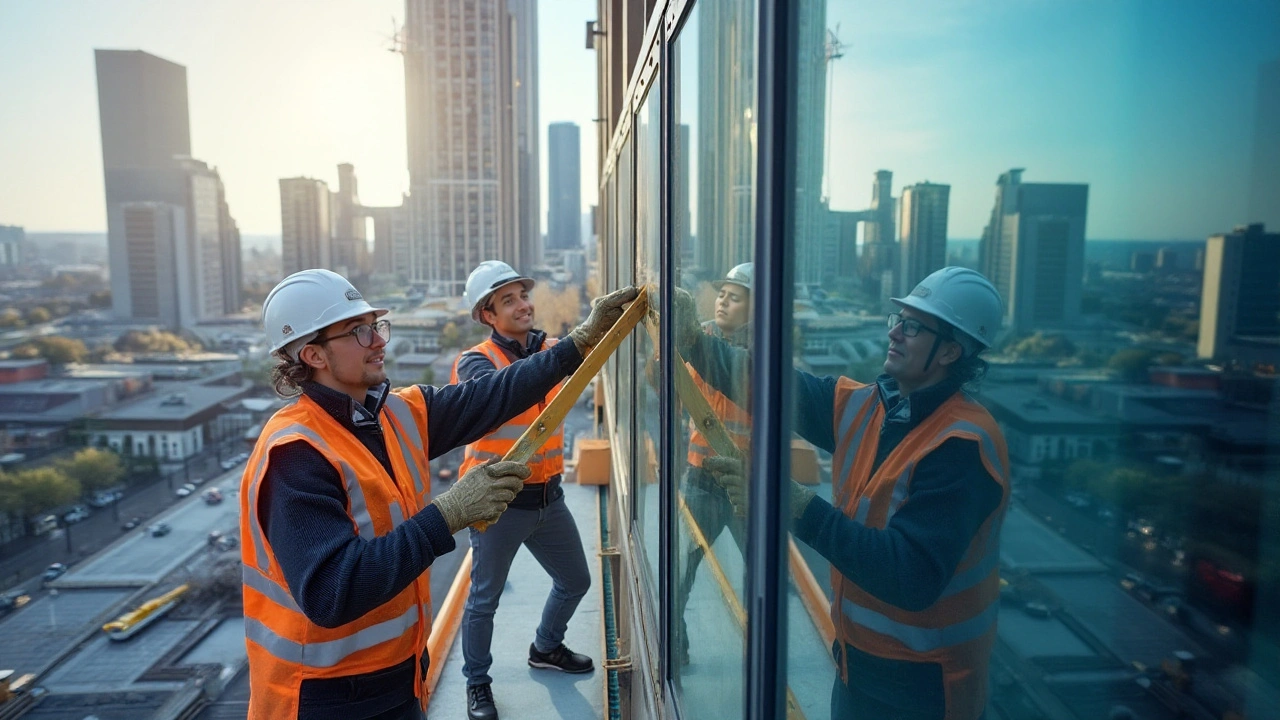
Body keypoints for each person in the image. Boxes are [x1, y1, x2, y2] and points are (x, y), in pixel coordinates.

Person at [240, 268, 636, 720]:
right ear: (313, 354)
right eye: (359, 331)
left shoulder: (392, 413)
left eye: (377, 326)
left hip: (399, 674)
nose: (378, 341)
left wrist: (579, 342)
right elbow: (333, 592)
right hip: (323, 700)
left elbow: (494, 394)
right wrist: (446, 515)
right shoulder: (295, 455)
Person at [684, 267, 1010, 720]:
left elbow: (908, 575)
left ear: (951, 351)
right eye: (897, 318)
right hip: (857, 661)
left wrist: (790, 503)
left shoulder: (962, 446)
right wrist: (694, 342)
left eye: (913, 326)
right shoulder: (873, 406)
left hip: (922, 688)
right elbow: (771, 385)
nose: (895, 332)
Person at [449, 261, 595, 720]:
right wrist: (557, 355)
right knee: (484, 600)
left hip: (549, 499)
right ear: (487, 315)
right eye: (507, 300)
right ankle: (477, 685)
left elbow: (589, 356)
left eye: (523, 295)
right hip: (499, 506)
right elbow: (496, 393)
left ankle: (546, 648)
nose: (522, 305)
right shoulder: (475, 362)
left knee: (576, 580)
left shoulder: (551, 349)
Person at [675, 263, 753, 666]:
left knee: (762, 574)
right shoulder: (700, 338)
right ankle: (676, 646)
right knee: (680, 569)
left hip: (745, 486)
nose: (723, 300)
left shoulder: (761, 358)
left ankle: (762, 651)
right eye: (722, 293)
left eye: (735, 296)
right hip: (702, 476)